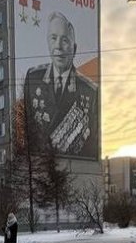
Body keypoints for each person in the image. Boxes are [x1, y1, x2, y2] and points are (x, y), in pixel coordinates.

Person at [22, 12, 99, 159]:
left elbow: (90, 148)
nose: (58, 46)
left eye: (65, 40)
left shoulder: (89, 91)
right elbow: (27, 129)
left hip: (71, 170)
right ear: (48, 43)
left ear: (74, 49)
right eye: (53, 38)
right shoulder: (33, 78)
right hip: (39, 165)